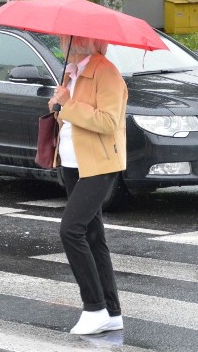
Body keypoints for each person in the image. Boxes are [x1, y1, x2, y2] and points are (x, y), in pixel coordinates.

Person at [46, 35, 127, 336]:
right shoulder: (72, 73)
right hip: (71, 161)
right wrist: (58, 104)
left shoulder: (106, 73)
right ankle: (112, 311)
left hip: (99, 163)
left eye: (71, 36)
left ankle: (94, 307)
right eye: (65, 36)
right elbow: (68, 118)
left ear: (90, 40)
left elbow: (108, 121)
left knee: (71, 229)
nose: (65, 39)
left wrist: (68, 104)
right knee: (93, 235)